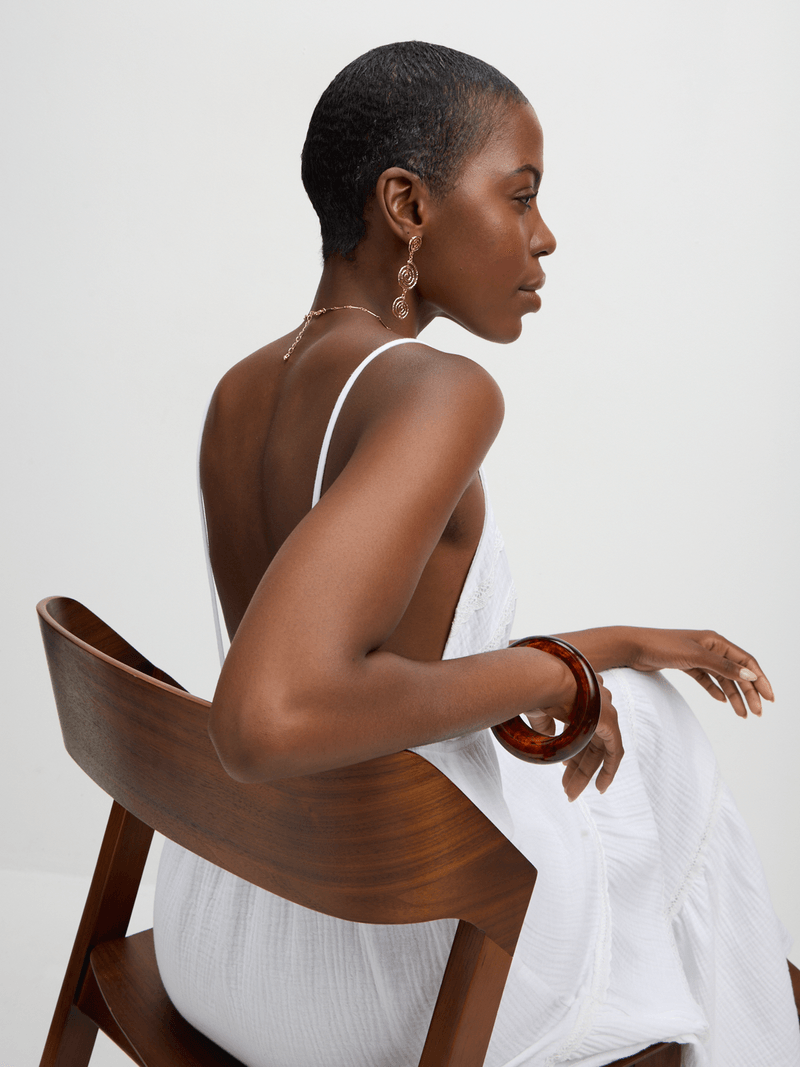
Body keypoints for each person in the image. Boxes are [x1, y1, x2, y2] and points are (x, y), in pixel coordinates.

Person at [153, 41, 800, 1067]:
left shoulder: (242, 386)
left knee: (639, 717)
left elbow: (377, 665)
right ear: (406, 205)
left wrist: (613, 644)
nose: (545, 236)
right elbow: (270, 716)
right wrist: (558, 673)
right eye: (521, 195)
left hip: (229, 922)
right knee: (664, 745)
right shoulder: (437, 391)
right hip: (377, 961)